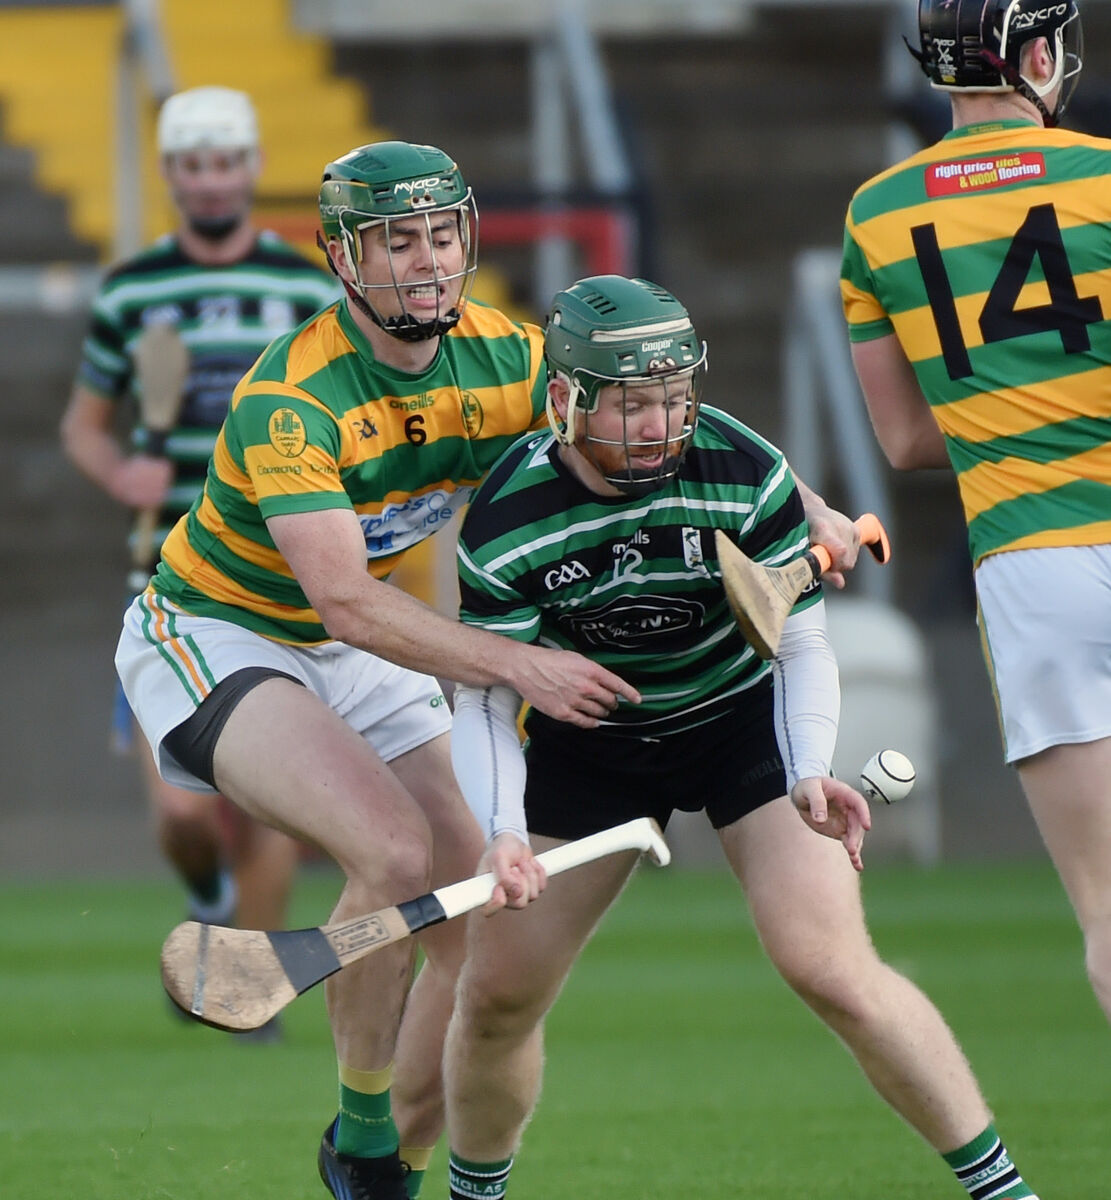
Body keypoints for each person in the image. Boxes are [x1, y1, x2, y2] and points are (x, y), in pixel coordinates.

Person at [112, 139, 656, 1200]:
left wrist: (802, 511)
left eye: (441, 235)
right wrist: (518, 667)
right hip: (219, 633)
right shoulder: (293, 400)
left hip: (368, 645)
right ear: (343, 258)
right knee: (398, 852)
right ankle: (363, 1138)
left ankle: (388, 1155)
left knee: (479, 922)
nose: (425, 261)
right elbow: (344, 600)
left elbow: (635, 404)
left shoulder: (507, 357)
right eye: (395, 240)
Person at [441, 274, 1041, 1200]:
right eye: (634, 403)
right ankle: (473, 1191)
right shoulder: (506, 521)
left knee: (832, 970)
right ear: (564, 401)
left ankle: (1002, 1190)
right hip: (590, 744)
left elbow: (795, 630)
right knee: (493, 1000)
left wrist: (807, 771)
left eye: (675, 399)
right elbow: (484, 696)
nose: (660, 425)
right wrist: (505, 831)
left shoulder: (738, 466)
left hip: (738, 719)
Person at [841, 1, 1111, 1029]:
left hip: (1028, 565)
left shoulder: (874, 215)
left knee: (1102, 911)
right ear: (1037, 53)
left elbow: (906, 444)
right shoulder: (1099, 174)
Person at [60, 87, 339, 1011]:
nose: (211, 181)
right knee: (184, 813)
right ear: (171, 174)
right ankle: (208, 894)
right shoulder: (132, 289)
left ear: (253, 168)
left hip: (276, 581)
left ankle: (244, 992)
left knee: (268, 802)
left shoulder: (306, 287)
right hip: (173, 584)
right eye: (192, 165)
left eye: (226, 163)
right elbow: (86, 428)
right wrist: (120, 476)